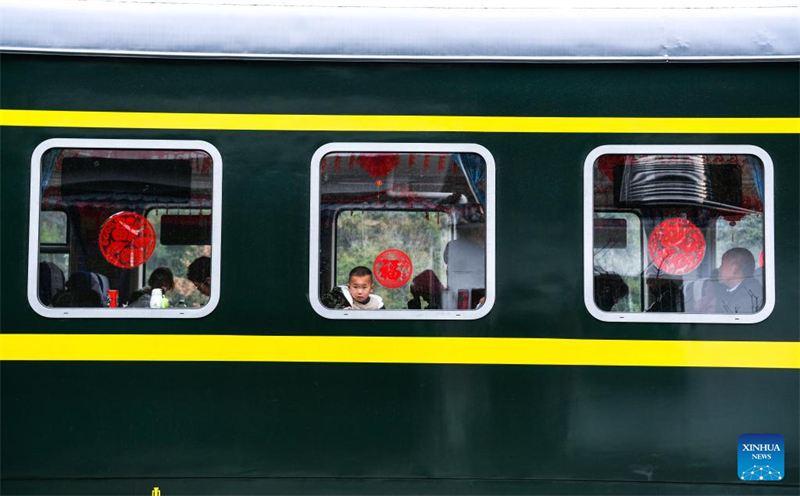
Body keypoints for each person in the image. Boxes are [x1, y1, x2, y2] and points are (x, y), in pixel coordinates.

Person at [692, 248, 763, 314]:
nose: (719, 269)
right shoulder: (733, 291)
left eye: (722, 264)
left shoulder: (749, 295)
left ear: (735, 268)